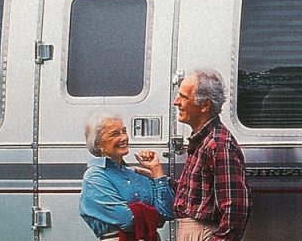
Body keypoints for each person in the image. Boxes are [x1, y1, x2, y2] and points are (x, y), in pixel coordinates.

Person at [171, 68, 251, 240]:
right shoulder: (203, 140)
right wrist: (158, 176)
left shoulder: (218, 144)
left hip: (203, 232)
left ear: (205, 106)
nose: (176, 102)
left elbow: (235, 206)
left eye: (184, 97)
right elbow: (197, 194)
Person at [79, 112, 174, 240]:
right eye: (115, 134)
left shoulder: (136, 173)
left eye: (124, 131)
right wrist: (153, 215)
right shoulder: (95, 176)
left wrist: (157, 171)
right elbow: (128, 220)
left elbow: (168, 212)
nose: (124, 138)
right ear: (98, 144)